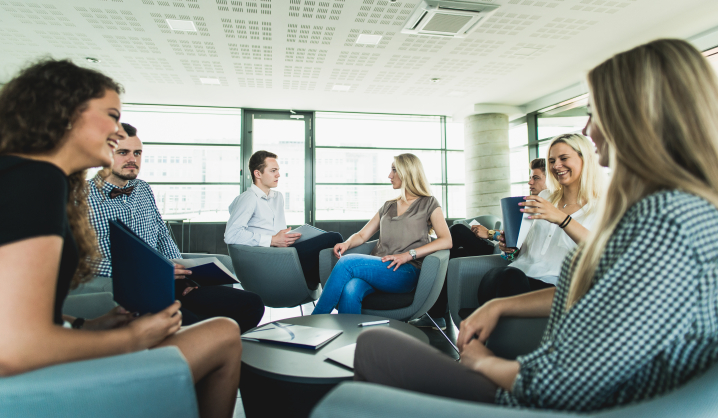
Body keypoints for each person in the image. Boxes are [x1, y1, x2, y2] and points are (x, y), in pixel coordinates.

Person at [353, 38, 718, 412]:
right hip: (547, 382)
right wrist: (500, 308)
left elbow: (568, 383)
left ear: (637, 114)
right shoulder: (681, 214)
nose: (589, 130)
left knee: (373, 349)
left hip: (542, 402)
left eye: (596, 112)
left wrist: (483, 362)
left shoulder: (666, 223)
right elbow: (596, 293)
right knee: (379, 346)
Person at [0, 59, 242, 418]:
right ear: (64, 113)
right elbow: (13, 348)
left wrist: (89, 325)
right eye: (112, 116)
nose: (117, 131)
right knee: (224, 333)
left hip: (27, 372)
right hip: (27, 387)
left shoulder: (21, 174)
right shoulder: (37, 180)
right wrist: (132, 339)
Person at [85, 122, 264, 332]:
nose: (132, 159)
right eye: (123, 152)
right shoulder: (81, 197)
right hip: (133, 289)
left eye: (137, 153)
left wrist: (183, 273)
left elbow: (162, 235)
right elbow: (83, 261)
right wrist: (144, 272)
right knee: (192, 324)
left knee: (251, 304)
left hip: (169, 283)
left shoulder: (143, 189)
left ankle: (216, 356)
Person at [415, 157, 553, 330]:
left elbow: (511, 240)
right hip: (506, 254)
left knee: (457, 230)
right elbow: (514, 245)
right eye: (530, 177)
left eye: (536, 178)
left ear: (551, 181)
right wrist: (496, 237)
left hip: (495, 251)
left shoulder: (547, 213)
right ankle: (436, 315)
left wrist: (489, 234)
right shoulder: (530, 208)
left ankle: (423, 263)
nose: (530, 181)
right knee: (452, 257)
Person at [311, 153, 452, 314]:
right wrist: (347, 243)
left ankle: (314, 323)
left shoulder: (428, 203)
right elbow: (362, 235)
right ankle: (351, 338)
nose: (389, 175)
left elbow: (446, 240)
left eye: (394, 170)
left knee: (346, 262)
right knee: (351, 289)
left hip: (406, 271)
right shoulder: (388, 206)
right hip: (378, 267)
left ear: (407, 172)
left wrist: (408, 254)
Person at [475, 133, 602, 305]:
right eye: (551, 160)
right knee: (498, 276)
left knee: (505, 280)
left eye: (564, 158)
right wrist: (514, 248)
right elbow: (530, 246)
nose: (556, 166)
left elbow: (601, 250)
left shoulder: (601, 206)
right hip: (520, 274)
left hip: (555, 285)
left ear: (584, 159)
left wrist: (561, 218)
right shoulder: (545, 196)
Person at [224, 150, 343, 290]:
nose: (278, 175)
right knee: (333, 238)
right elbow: (231, 235)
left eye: (278, 170)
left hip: (283, 252)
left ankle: (313, 282)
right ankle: (320, 284)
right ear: (258, 174)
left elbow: (278, 233)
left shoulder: (277, 197)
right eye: (273, 170)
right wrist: (272, 240)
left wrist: (285, 237)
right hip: (268, 258)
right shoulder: (249, 198)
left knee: (328, 252)